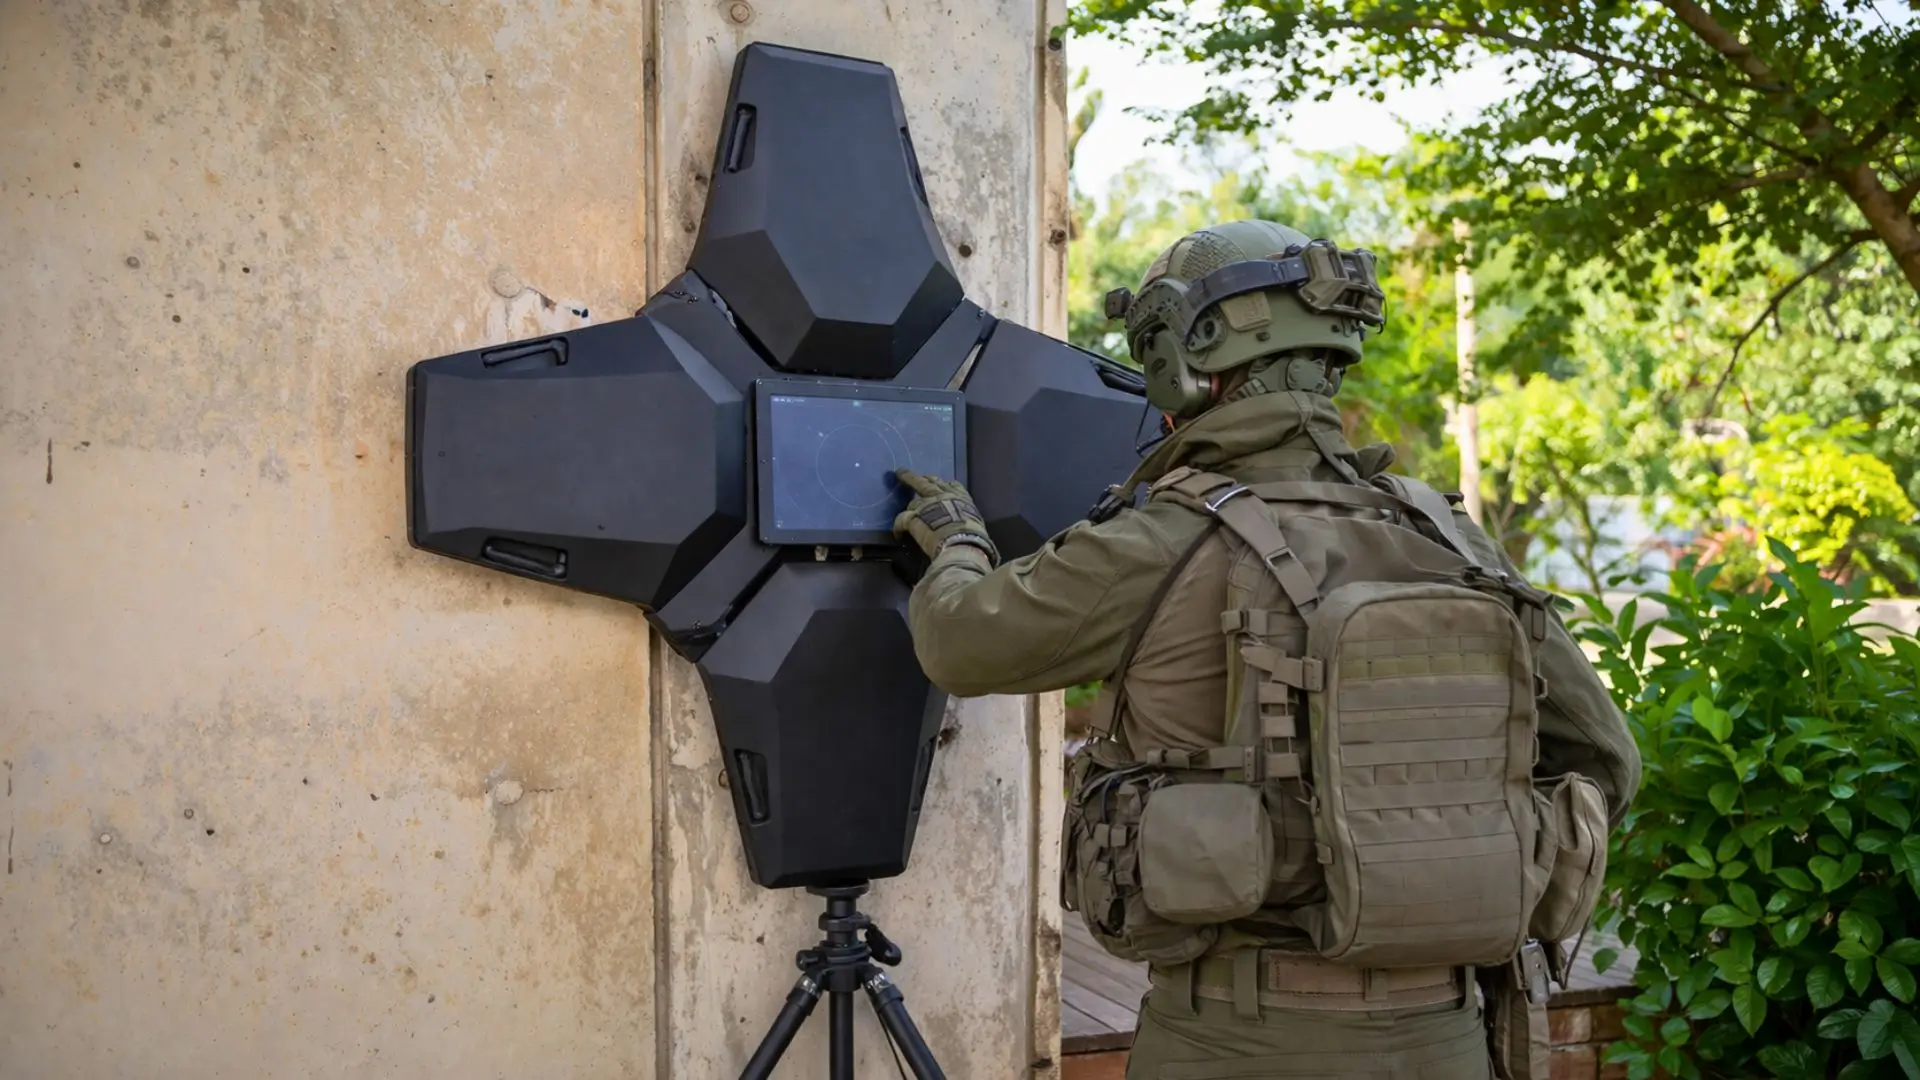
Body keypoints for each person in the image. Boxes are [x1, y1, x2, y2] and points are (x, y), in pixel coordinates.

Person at [889, 220, 1641, 1079]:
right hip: (1450, 1035)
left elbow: (958, 643)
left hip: (1238, 1039)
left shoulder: (1161, 536)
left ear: (1181, 353)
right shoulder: (1450, 536)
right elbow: (1606, 760)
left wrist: (955, 538)